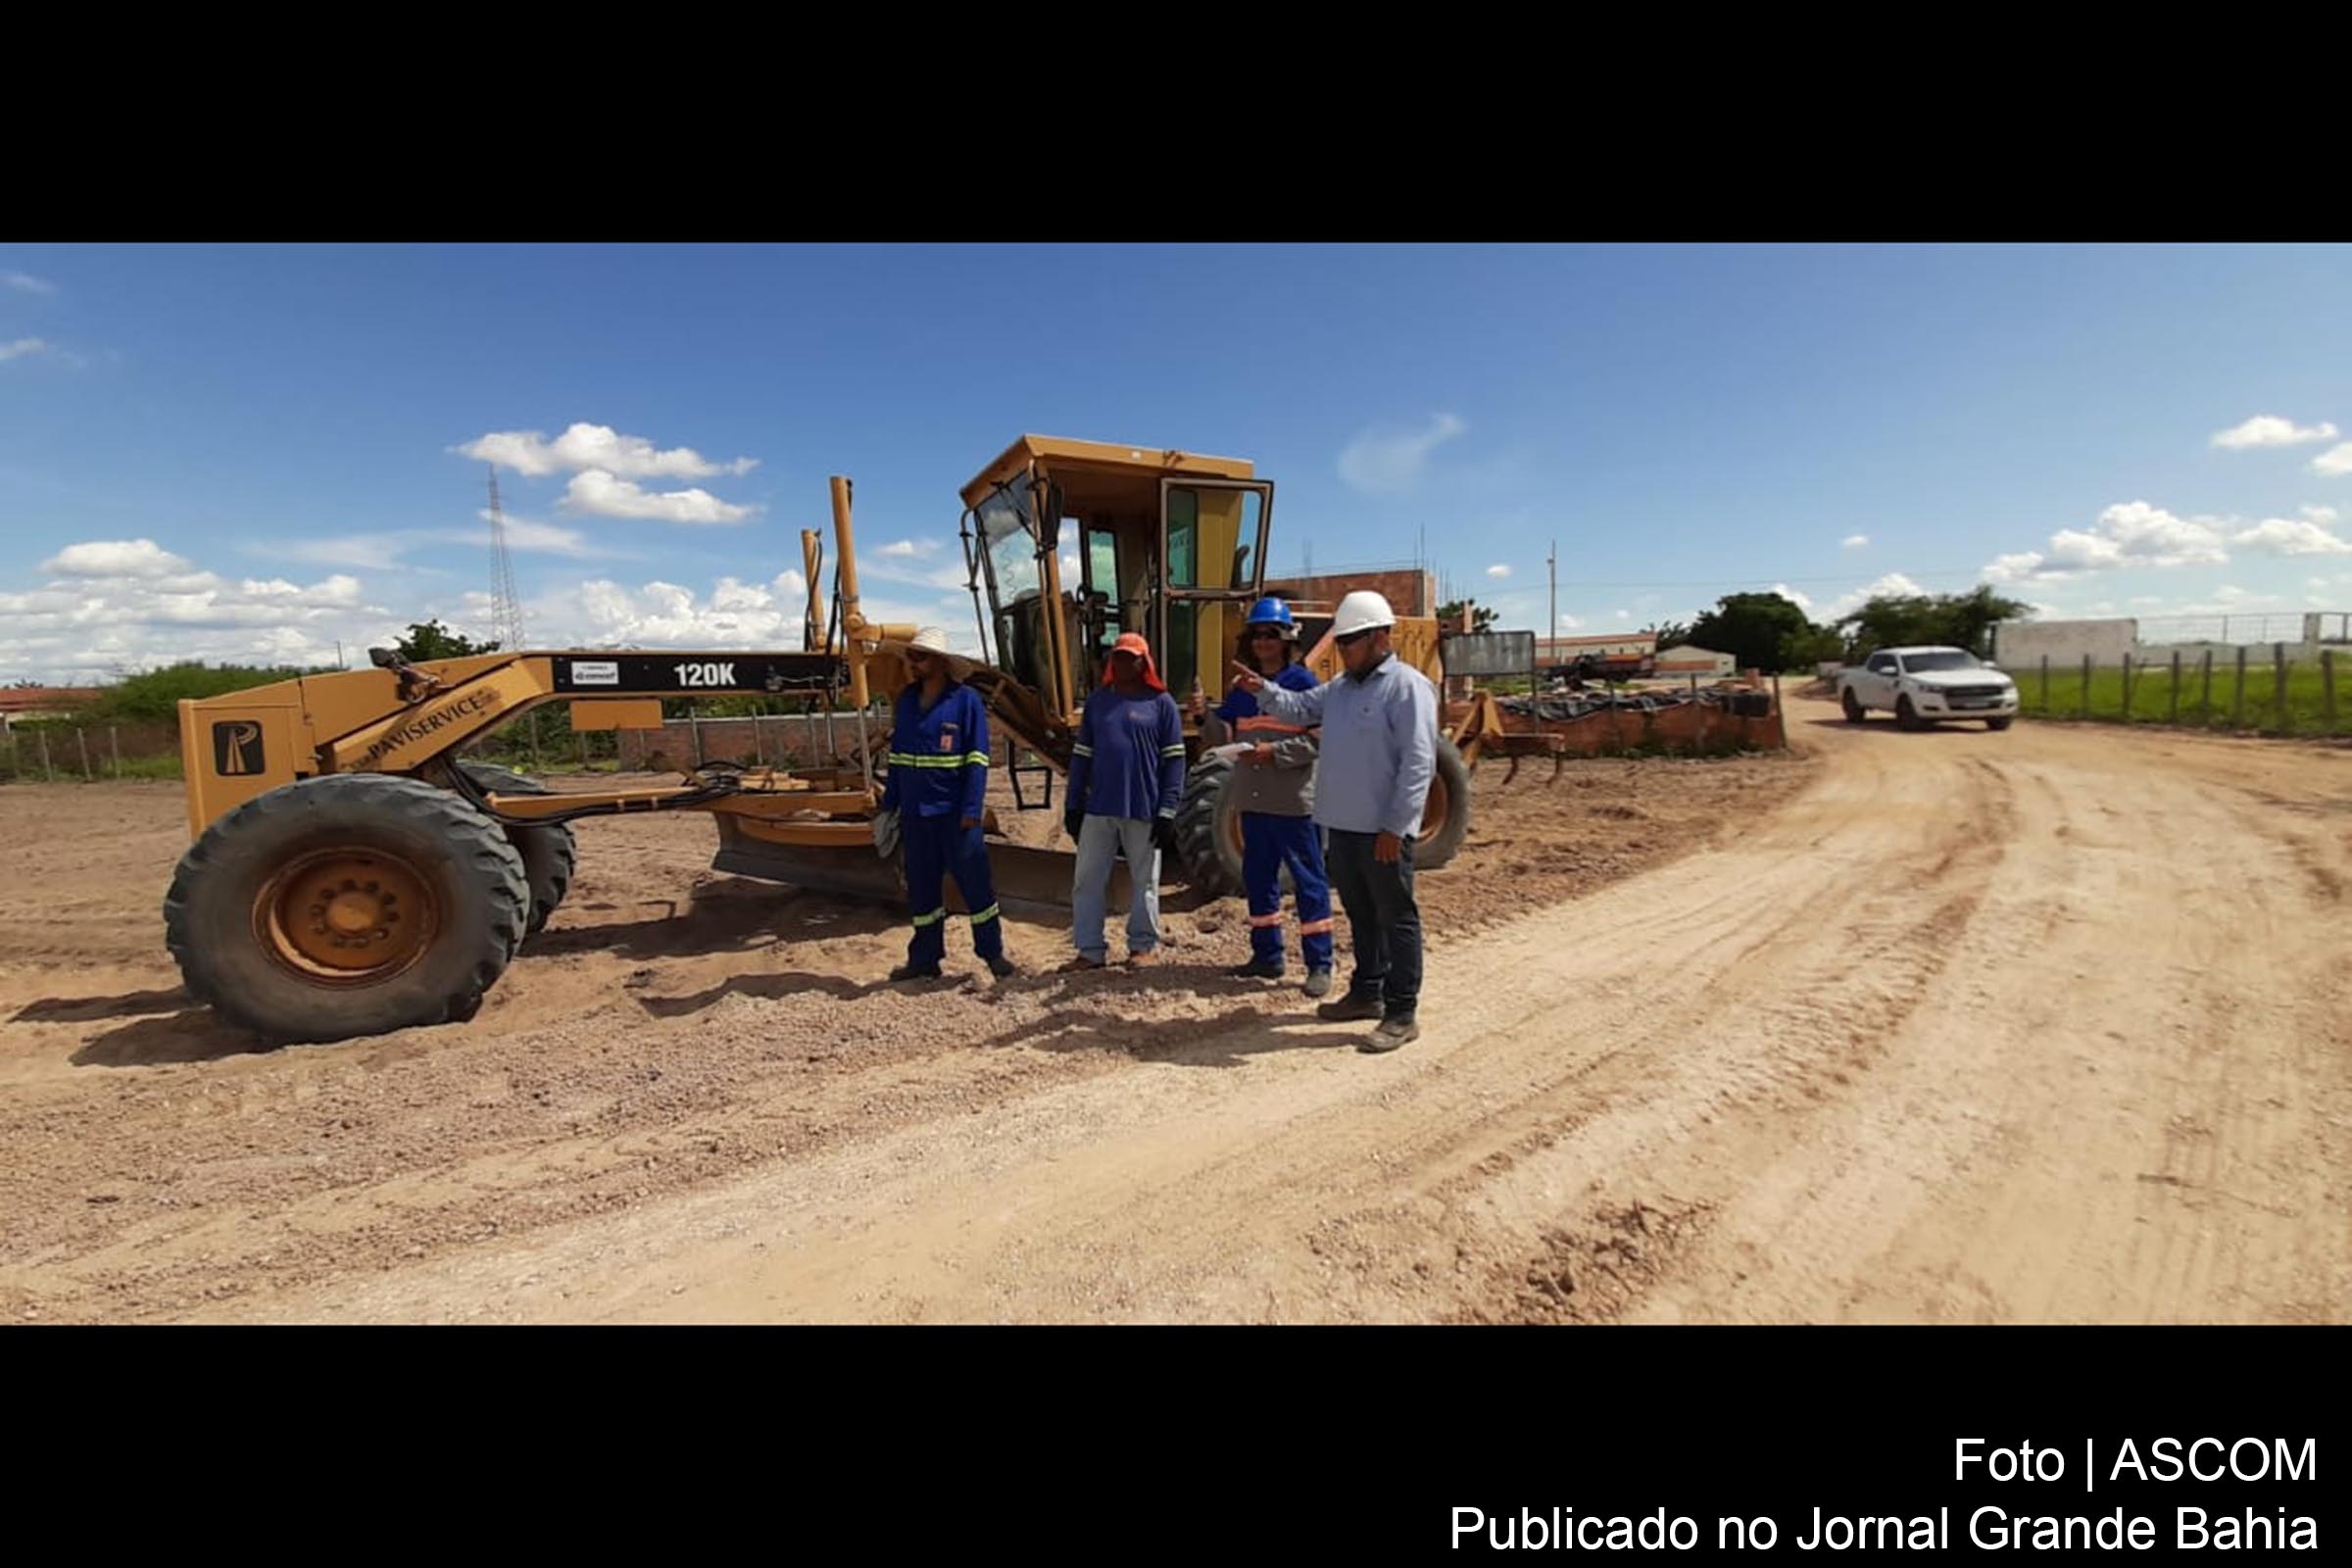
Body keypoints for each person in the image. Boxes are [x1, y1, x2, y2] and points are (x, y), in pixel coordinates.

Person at [1228, 590, 1435, 1052]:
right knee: (1361, 914)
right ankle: (1367, 992)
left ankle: (1402, 1012)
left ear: (1381, 637)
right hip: (1343, 826)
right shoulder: (1340, 689)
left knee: (1396, 917)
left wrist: (1395, 827)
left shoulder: (1407, 687)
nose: (1344, 650)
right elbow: (1299, 709)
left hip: (1382, 829)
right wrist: (1262, 690)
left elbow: (1418, 764)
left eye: (1352, 641)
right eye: (1341, 643)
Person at [1191, 596, 1334, 998]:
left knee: (1308, 881)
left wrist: (1275, 753)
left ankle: (1320, 964)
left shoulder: (1303, 684)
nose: (1263, 641)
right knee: (1259, 880)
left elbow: (1320, 740)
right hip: (1252, 802)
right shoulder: (1242, 689)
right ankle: (1267, 956)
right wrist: (1204, 718)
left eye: (1271, 634)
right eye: (1256, 634)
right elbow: (1225, 738)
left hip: (1292, 802)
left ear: (1286, 639)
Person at [878, 627, 1014, 982]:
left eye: (919, 657)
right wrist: (888, 804)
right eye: (911, 656)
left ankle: (992, 954)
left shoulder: (965, 701)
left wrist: (972, 810)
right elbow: (899, 758)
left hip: (955, 817)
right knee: (922, 890)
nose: (912, 664)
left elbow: (977, 759)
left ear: (940, 663)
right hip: (916, 815)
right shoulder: (907, 701)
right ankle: (924, 958)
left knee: (976, 888)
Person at [1063, 631, 1186, 969]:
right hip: (1099, 808)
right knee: (1087, 880)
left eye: (1129, 657)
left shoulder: (1162, 705)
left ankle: (1142, 946)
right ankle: (1089, 950)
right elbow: (1082, 757)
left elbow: (1175, 761)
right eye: (1116, 656)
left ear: (1143, 662)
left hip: (1143, 809)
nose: (1121, 662)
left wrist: (1168, 810)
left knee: (1145, 881)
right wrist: (1073, 804)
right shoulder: (1098, 703)